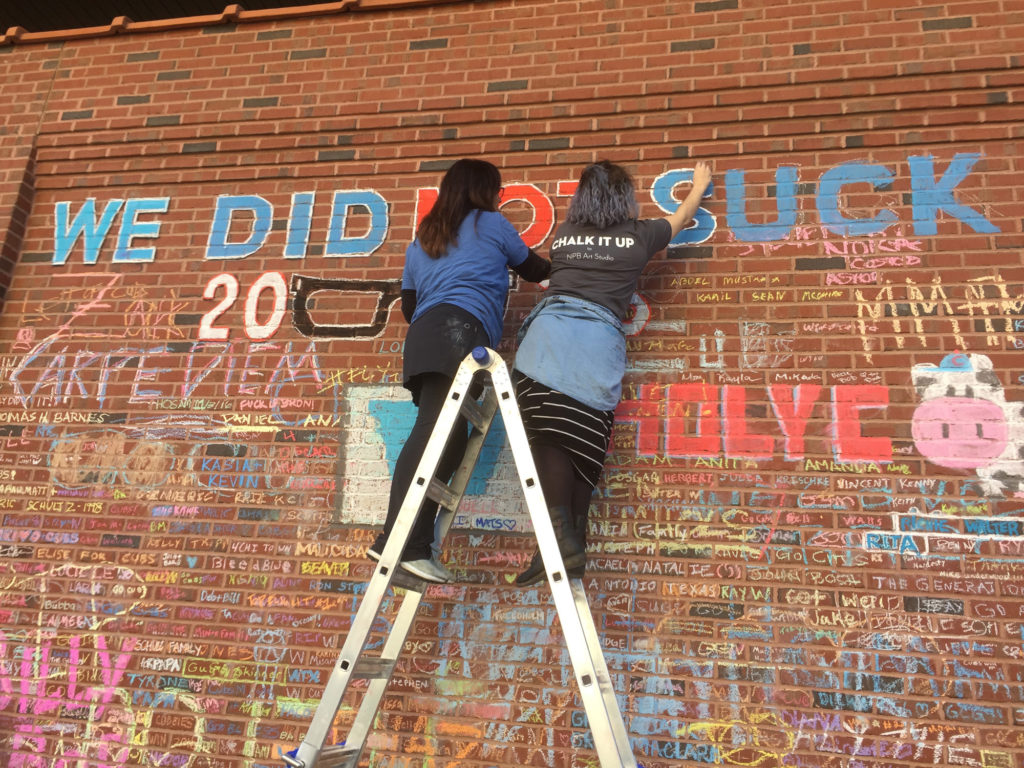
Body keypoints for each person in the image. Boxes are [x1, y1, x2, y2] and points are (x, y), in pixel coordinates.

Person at [511, 159, 713, 585]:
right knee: (585, 448)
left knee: (549, 438)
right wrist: (698, 186)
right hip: (598, 347)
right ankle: (569, 546)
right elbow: (681, 218)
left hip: (548, 342)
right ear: (626, 198)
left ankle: (559, 543)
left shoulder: (564, 237)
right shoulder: (640, 237)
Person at [368, 158, 550, 583]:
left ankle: (410, 544)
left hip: (427, 336)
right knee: (434, 430)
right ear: (484, 191)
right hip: (459, 333)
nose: (499, 198)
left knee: (449, 441)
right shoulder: (490, 223)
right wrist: (574, 263)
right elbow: (534, 269)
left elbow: (410, 307)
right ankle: (396, 542)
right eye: (498, 190)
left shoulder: (424, 237)